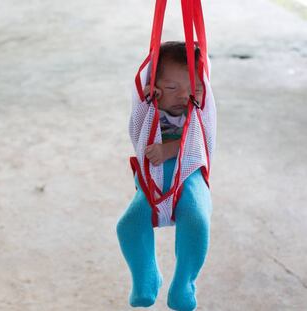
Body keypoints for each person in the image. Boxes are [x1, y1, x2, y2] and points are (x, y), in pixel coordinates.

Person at [116, 41, 212, 311]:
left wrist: (168, 149)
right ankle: (147, 276)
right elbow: (138, 122)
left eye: (192, 87)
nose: (184, 95)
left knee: (197, 220)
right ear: (156, 88)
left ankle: (184, 282)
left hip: (189, 178)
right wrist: (148, 102)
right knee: (128, 226)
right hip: (153, 181)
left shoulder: (198, 111)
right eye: (172, 88)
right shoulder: (151, 109)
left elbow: (195, 146)